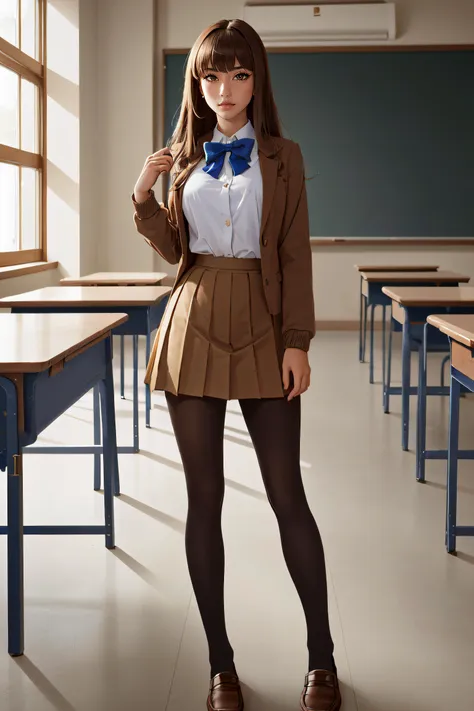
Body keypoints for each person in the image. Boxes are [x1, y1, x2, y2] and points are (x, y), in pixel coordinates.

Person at [131, 18, 341, 711]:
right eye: (212, 75)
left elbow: (294, 254)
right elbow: (173, 251)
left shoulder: (282, 155)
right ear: (198, 82)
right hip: (193, 317)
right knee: (204, 501)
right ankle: (221, 665)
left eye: (240, 74)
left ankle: (322, 660)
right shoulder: (183, 157)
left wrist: (299, 339)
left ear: (257, 80)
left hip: (262, 315)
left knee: (288, 498)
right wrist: (144, 196)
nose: (225, 89)